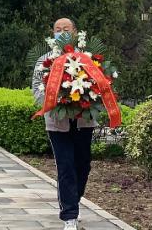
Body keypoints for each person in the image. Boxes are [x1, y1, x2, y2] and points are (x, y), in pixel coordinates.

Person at [34, 18, 95, 230]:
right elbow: (36, 91)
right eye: (57, 30)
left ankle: (74, 200)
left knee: (83, 164)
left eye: (66, 29)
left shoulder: (86, 58)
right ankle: (69, 215)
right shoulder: (44, 61)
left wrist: (84, 101)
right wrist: (55, 102)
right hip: (56, 122)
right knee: (66, 166)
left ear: (75, 32)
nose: (61, 33)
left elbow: (99, 85)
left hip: (83, 121)